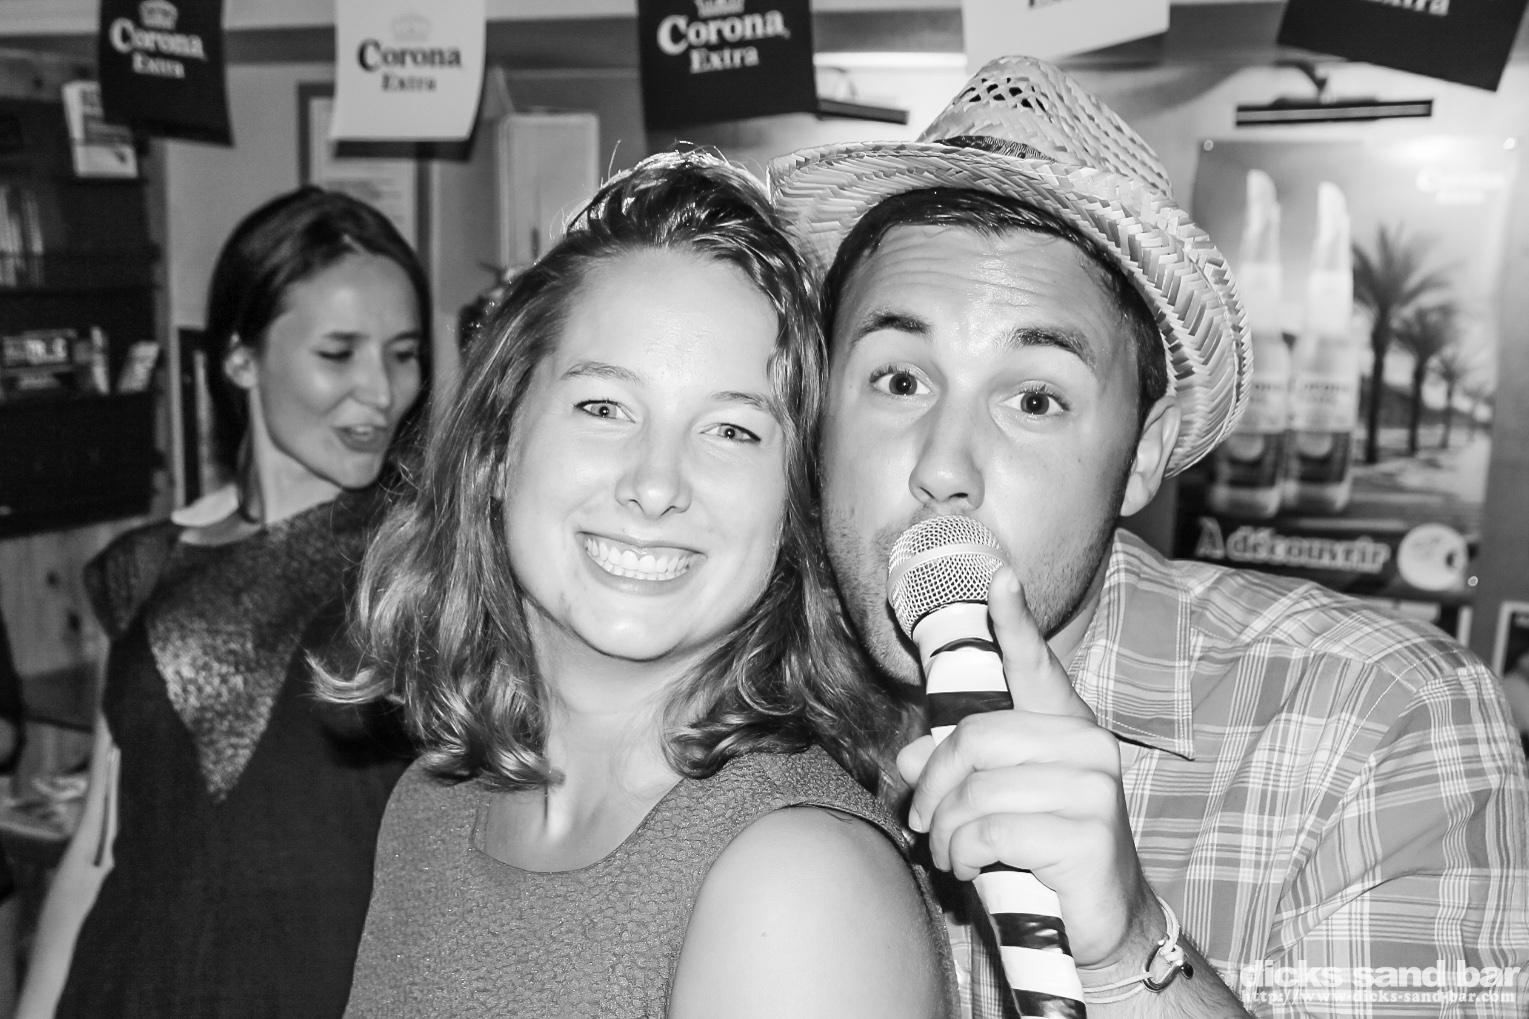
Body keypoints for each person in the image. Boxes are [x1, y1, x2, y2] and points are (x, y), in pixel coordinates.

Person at [770, 55, 1529, 1018]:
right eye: (899, 379)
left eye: (1034, 399)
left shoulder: (1381, 718)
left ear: (1141, 458)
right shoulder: (744, 698)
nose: (943, 465)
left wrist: (1129, 944)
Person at [327, 149, 954, 1018]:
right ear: (497, 448)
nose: (655, 484)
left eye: (732, 430)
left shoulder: (798, 884)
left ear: (791, 509)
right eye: (603, 407)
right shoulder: (428, 811)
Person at [16, 185, 431, 1018]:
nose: (381, 391)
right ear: (240, 358)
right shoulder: (145, 568)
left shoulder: (426, 559)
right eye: (338, 352)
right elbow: (98, 850)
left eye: (403, 353)